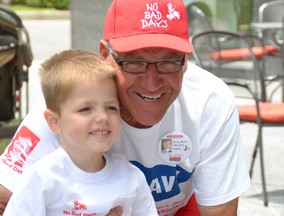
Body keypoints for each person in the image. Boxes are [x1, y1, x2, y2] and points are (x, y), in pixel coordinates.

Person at [0, 0, 251, 215]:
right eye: (134, 62)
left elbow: (220, 211)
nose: (152, 83)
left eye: (168, 61)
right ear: (104, 55)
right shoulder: (67, 106)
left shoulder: (210, 101)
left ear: (185, 61)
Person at [3, 50, 158, 216]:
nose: (102, 117)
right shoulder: (40, 180)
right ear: (54, 121)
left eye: (111, 107)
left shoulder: (132, 177)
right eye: (85, 109)